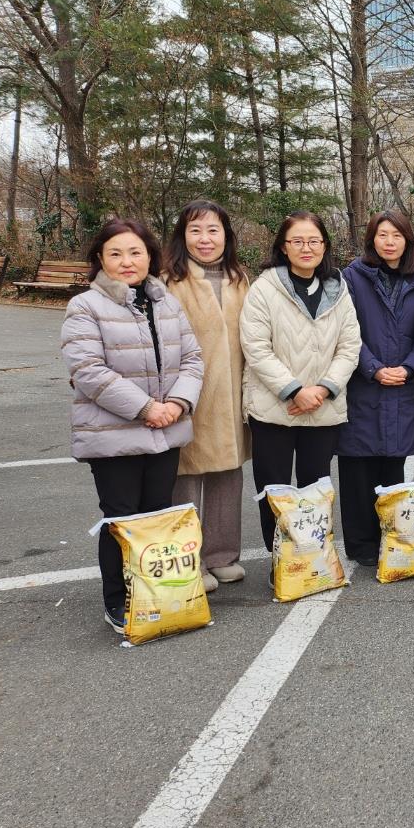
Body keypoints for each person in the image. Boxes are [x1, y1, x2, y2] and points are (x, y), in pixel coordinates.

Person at [61, 218, 204, 633]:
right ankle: (119, 602)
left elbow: (193, 359)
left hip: (166, 428)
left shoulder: (165, 302)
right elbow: (88, 370)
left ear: (150, 256)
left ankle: (157, 597)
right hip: (114, 434)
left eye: (135, 252)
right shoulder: (85, 307)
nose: (127, 261)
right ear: (100, 260)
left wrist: (177, 402)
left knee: (156, 517)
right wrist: (146, 409)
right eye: (116, 254)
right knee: (121, 518)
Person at [239, 211, 360, 554]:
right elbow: (256, 347)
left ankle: (312, 559)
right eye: (297, 241)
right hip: (275, 408)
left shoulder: (338, 288)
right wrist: (295, 390)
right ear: (283, 246)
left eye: (314, 241)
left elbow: (350, 345)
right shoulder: (264, 288)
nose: (306, 248)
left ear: (324, 246)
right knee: (274, 488)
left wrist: (322, 389)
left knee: (315, 487)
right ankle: (280, 556)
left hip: (322, 409)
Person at [162, 199, 250, 593]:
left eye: (213, 230)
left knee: (227, 472)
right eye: (195, 230)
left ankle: (222, 554)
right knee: (185, 476)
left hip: (233, 390)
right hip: (188, 393)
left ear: (226, 235)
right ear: (183, 236)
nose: (205, 239)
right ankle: (188, 557)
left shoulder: (238, 278)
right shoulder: (168, 281)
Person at [337, 211, 414, 566]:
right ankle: (360, 547)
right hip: (363, 386)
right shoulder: (351, 278)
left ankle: (391, 538)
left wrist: (409, 368)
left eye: (397, 235)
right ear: (371, 239)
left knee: (393, 469)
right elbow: (346, 332)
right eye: (382, 234)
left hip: (402, 387)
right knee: (358, 469)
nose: (389, 241)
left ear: (407, 240)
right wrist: (374, 369)